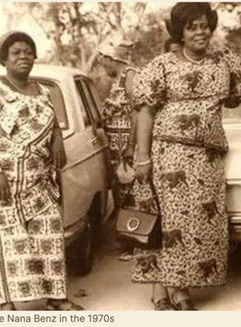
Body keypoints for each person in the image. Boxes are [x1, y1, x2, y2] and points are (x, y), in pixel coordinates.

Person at [131, 2, 241, 310]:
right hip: (169, 152)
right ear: (180, 33)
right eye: (192, 27)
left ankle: (169, 286)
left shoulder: (225, 60)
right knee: (170, 222)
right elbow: (145, 110)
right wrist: (142, 157)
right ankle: (175, 292)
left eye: (204, 25)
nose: (200, 32)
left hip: (208, 157)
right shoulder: (162, 64)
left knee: (198, 225)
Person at [0, 31, 83, 311]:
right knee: (7, 238)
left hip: (41, 178)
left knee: (49, 234)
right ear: (4, 58)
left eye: (28, 51)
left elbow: (53, 123)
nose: (23, 57)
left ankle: (57, 296)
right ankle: (7, 304)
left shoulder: (43, 91)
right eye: (16, 52)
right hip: (6, 179)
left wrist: (57, 141)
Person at [97, 38, 140, 262]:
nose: (102, 64)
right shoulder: (115, 79)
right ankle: (127, 240)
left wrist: (132, 145)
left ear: (112, 58)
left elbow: (137, 112)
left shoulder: (130, 76)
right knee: (121, 191)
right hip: (115, 144)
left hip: (127, 144)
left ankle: (135, 243)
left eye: (103, 59)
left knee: (132, 191)